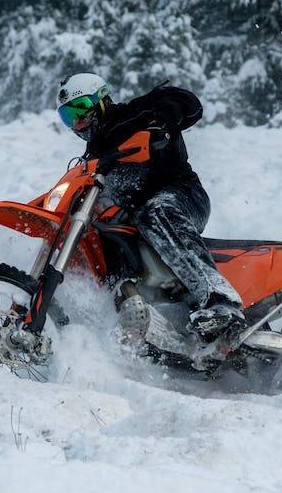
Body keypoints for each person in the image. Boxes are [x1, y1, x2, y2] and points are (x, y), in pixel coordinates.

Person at [56, 72, 244, 339]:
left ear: (101, 101)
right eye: (68, 117)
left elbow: (188, 103)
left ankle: (220, 302)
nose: (77, 123)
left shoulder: (138, 113)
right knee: (101, 231)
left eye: (81, 111)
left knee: (154, 212)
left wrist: (163, 123)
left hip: (184, 196)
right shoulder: (93, 157)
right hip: (142, 223)